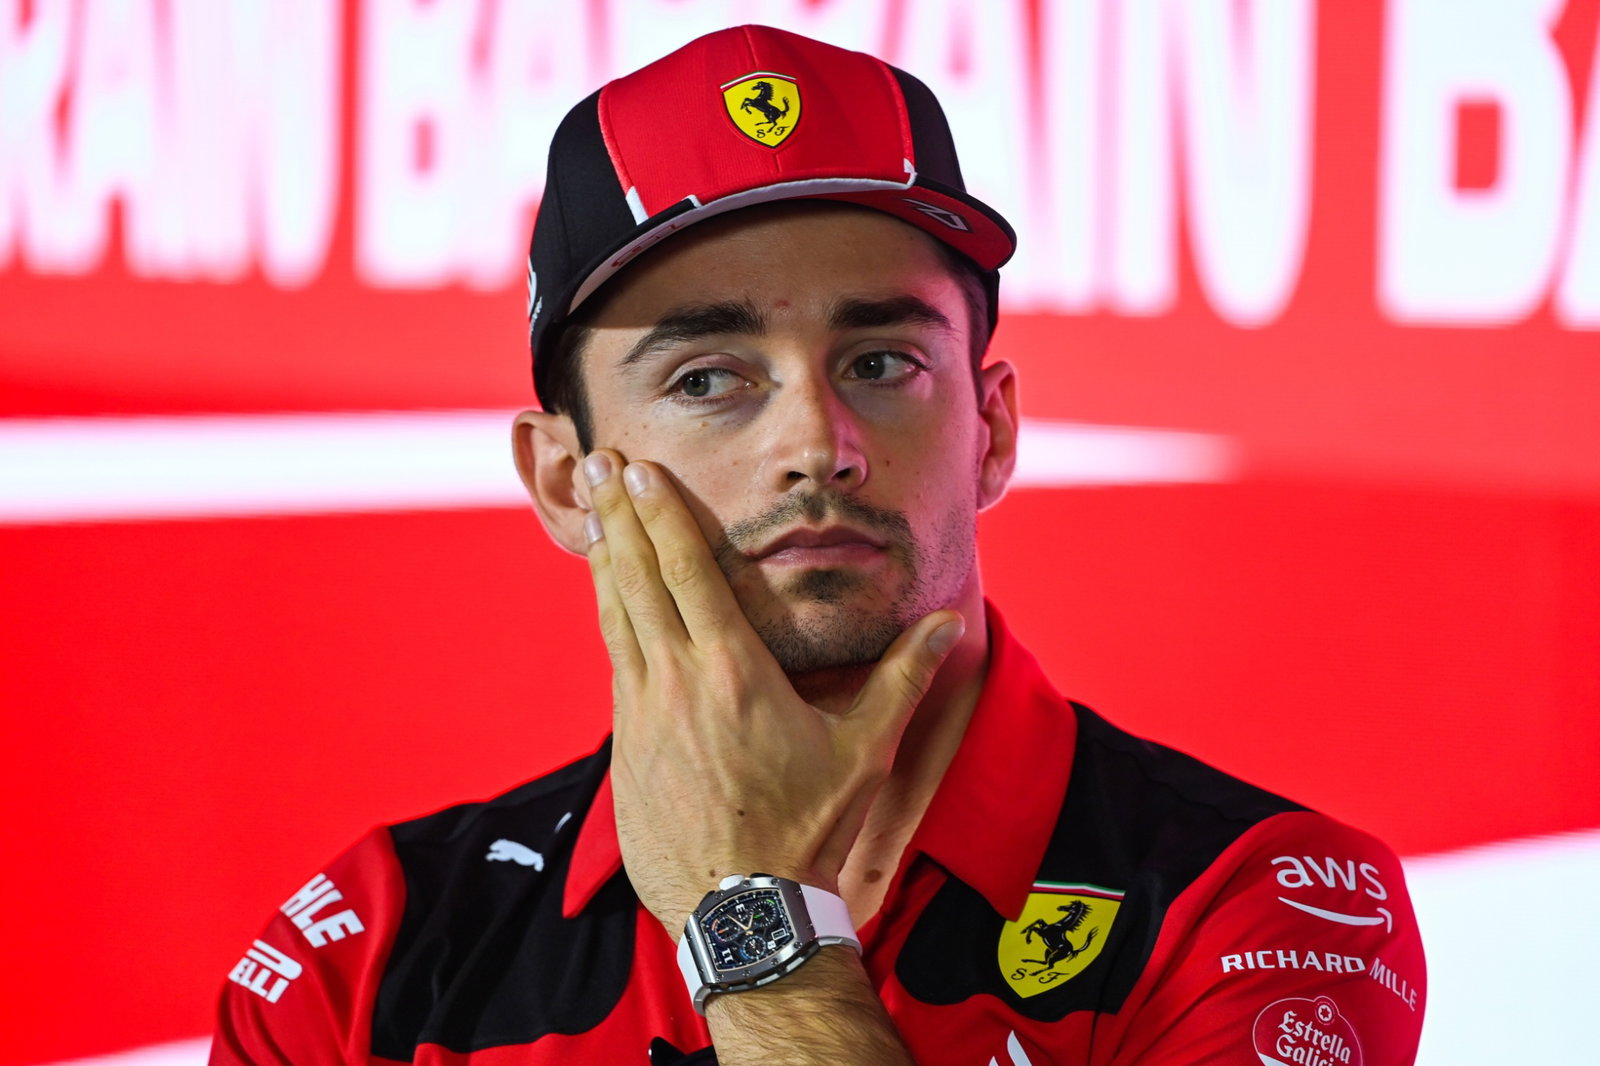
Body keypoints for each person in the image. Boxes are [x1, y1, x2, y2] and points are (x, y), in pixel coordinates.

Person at [210, 25, 1425, 1066]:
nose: (820, 443)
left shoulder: (1255, 903)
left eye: (880, 362)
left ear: (990, 428)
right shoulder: (370, 957)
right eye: (707, 377)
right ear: (564, 481)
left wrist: (759, 932)